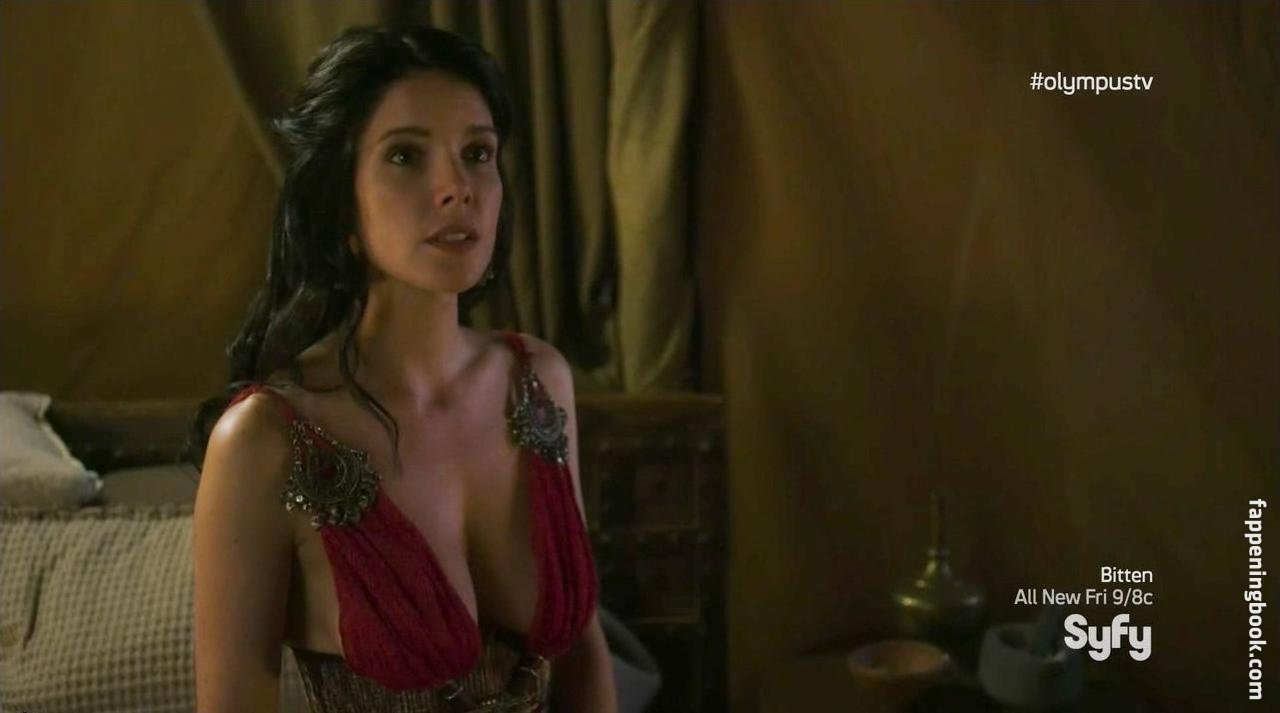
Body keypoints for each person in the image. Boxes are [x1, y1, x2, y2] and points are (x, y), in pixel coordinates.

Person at [188, 25, 616, 713]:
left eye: (477, 153)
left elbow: (583, 655)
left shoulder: (538, 379)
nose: (457, 187)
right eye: (405, 156)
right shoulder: (265, 439)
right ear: (341, 203)